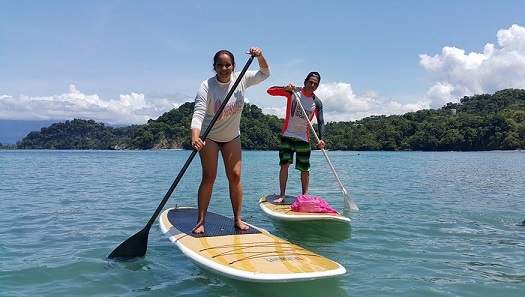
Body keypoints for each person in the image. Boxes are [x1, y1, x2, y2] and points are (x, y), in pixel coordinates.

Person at [190, 47, 270, 234]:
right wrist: (195, 137)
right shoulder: (206, 86)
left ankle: (237, 219)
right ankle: (201, 220)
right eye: (220, 65)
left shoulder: (241, 78)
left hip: (232, 136)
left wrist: (260, 56)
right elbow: (198, 114)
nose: (224, 68)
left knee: (234, 176)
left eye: (228, 65)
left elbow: (265, 73)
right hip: (209, 136)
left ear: (234, 66)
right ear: (214, 67)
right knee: (209, 176)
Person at [267, 72, 325, 203]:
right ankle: (282, 195)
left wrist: (321, 139)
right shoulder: (293, 92)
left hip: (303, 138)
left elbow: (321, 122)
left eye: (315, 84)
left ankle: (305, 195)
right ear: (305, 82)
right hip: (287, 135)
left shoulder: (317, 102)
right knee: (285, 164)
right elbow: (270, 91)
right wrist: (285, 88)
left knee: (305, 168)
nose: (312, 85)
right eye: (310, 82)